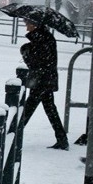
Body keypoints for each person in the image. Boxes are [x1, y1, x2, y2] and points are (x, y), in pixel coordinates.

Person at [19, 17, 70, 150]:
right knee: (49, 108)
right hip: (44, 79)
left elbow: (37, 62)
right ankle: (62, 139)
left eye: (27, 23)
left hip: (41, 80)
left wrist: (25, 50)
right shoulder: (42, 37)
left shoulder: (42, 39)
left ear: (34, 24)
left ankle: (14, 134)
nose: (26, 27)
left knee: (29, 108)